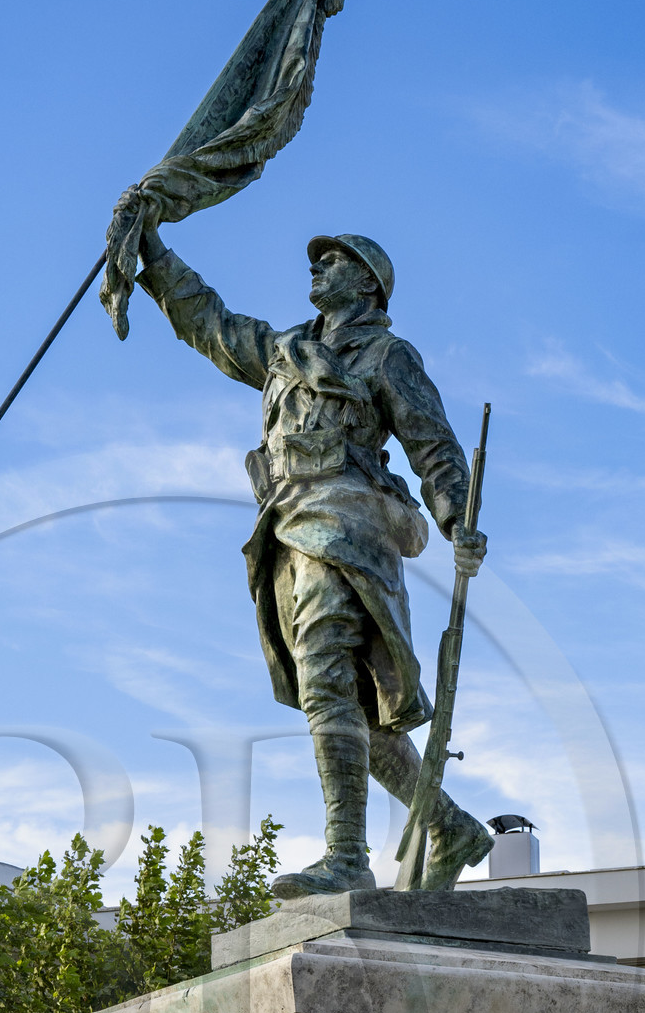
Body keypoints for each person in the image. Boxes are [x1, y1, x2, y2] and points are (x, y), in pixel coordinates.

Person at [134, 217, 493, 896]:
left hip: (350, 521)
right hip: (286, 524)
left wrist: (455, 520)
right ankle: (448, 825)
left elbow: (436, 447)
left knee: (329, 679)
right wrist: (149, 248)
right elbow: (207, 319)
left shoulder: (388, 357)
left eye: (334, 260)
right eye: (318, 259)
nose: (317, 266)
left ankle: (347, 859)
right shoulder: (281, 350)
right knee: (344, 703)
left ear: (368, 283)